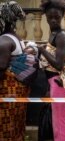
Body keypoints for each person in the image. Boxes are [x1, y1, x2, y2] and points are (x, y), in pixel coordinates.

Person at [38, 0, 65, 141]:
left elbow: (59, 65)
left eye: (57, 17)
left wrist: (42, 50)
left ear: (62, 15)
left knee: (60, 121)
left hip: (60, 83)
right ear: (45, 16)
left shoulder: (61, 36)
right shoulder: (53, 34)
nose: (53, 20)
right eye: (50, 17)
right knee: (62, 118)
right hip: (55, 82)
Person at [0, 1, 29, 140]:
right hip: (18, 91)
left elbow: (1, 69)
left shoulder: (4, 41)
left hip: (7, 93)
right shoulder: (16, 38)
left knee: (6, 128)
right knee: (17, 127)